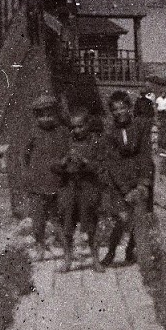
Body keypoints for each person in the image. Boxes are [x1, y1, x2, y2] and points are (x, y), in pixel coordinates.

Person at [101, 89, 155, 267]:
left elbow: (145, 155)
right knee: (123, 219)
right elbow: (112, 164)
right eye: (115, 110)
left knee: (140, 215)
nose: (119, 112)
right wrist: (125, 190)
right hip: (120, 183)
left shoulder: (139, 127)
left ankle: (130, 250)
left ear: (130, 108)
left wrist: (143, 183)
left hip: (139, 177)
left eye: (122, 108)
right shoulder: (109, 133)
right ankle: (111, 251)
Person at [59, 107, 111, 273]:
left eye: (80, 126)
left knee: (91, 225)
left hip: (88, 187)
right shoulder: (67, 141)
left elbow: (101, 166)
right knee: (67, 225)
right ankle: (67, 259)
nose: (77, 130)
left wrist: (85, 162)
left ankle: (96, 259)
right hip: (70, 187)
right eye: (73, 127)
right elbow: (56, 164)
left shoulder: (96, 141)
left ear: (88, 125)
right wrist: (64, 161)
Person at [17, 93, 69, 258]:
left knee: (58, 217)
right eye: (42, 115)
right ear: (36, 116)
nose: (46, 119)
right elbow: (24, 155)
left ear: (56, 114)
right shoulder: (33, 133)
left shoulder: (62, 132)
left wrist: (64, 163)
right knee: (38, 218)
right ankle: (40, 244)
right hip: (38, 182)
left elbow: (69, 152)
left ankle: (63, 245)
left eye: (50, 114)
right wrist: (26, 174)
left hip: (57, 181)